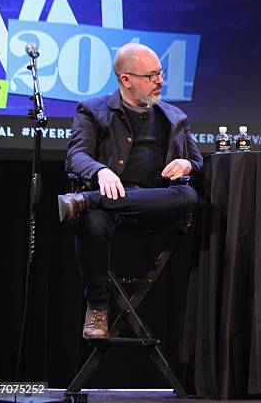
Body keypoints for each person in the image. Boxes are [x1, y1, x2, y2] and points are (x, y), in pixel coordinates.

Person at [57, 43, 203, 340]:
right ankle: (97, 307)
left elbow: (199, 162)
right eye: (151, 75)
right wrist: (100, 170)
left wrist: (187, 163)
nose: (160, 80)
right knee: (92, 222)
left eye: (160, 73)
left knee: (188, 196)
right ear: (126, 79)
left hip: (156, 206)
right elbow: (76, 156)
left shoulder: (175, 117)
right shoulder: (92, 110)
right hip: (112, 209)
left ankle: (85, 201)